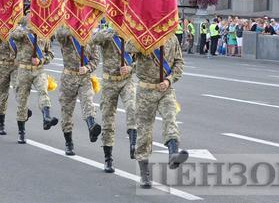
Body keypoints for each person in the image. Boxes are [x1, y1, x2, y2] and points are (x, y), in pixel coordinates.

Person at [127, 35, 188, 188]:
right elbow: (128, 48)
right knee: (144, 132)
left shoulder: (172, 38)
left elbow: (179, 62)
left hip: (165, 90)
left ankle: (173, 153)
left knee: (170, 118)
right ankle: (144, 174)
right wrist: (144, 36)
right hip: (145, 91)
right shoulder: (141, 36)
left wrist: (169, 80)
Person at [90, 26, 136, 173]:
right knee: (107, 120)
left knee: (132, 107)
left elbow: (144, 59)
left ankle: (133, 142)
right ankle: (108, 158)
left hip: (126, 81)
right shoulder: (107, 34)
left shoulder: (133, 33)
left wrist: (131, 68)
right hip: (110, 82)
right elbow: (93, 40)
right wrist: (113, 32)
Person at [56, 26, 102, 156]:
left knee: (88, 101)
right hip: (68, 78)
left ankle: (92, 126)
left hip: (84, 78)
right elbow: (58, 34)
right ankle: (69, 142)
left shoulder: (91, 37)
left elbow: (96, 59)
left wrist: (88, 68)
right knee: (67, 112)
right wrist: (74, 27)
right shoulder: (66, 34)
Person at [12, 19, 58, 143]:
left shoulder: (44, 34)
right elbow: (13, 35)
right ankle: (21, 132)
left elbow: (50, 54)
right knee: (22, 101)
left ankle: (46, 117)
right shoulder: (21, 31)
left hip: (39, 70)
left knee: (43, 91)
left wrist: (41, 60)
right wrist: (28, 30)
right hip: (24, 70)